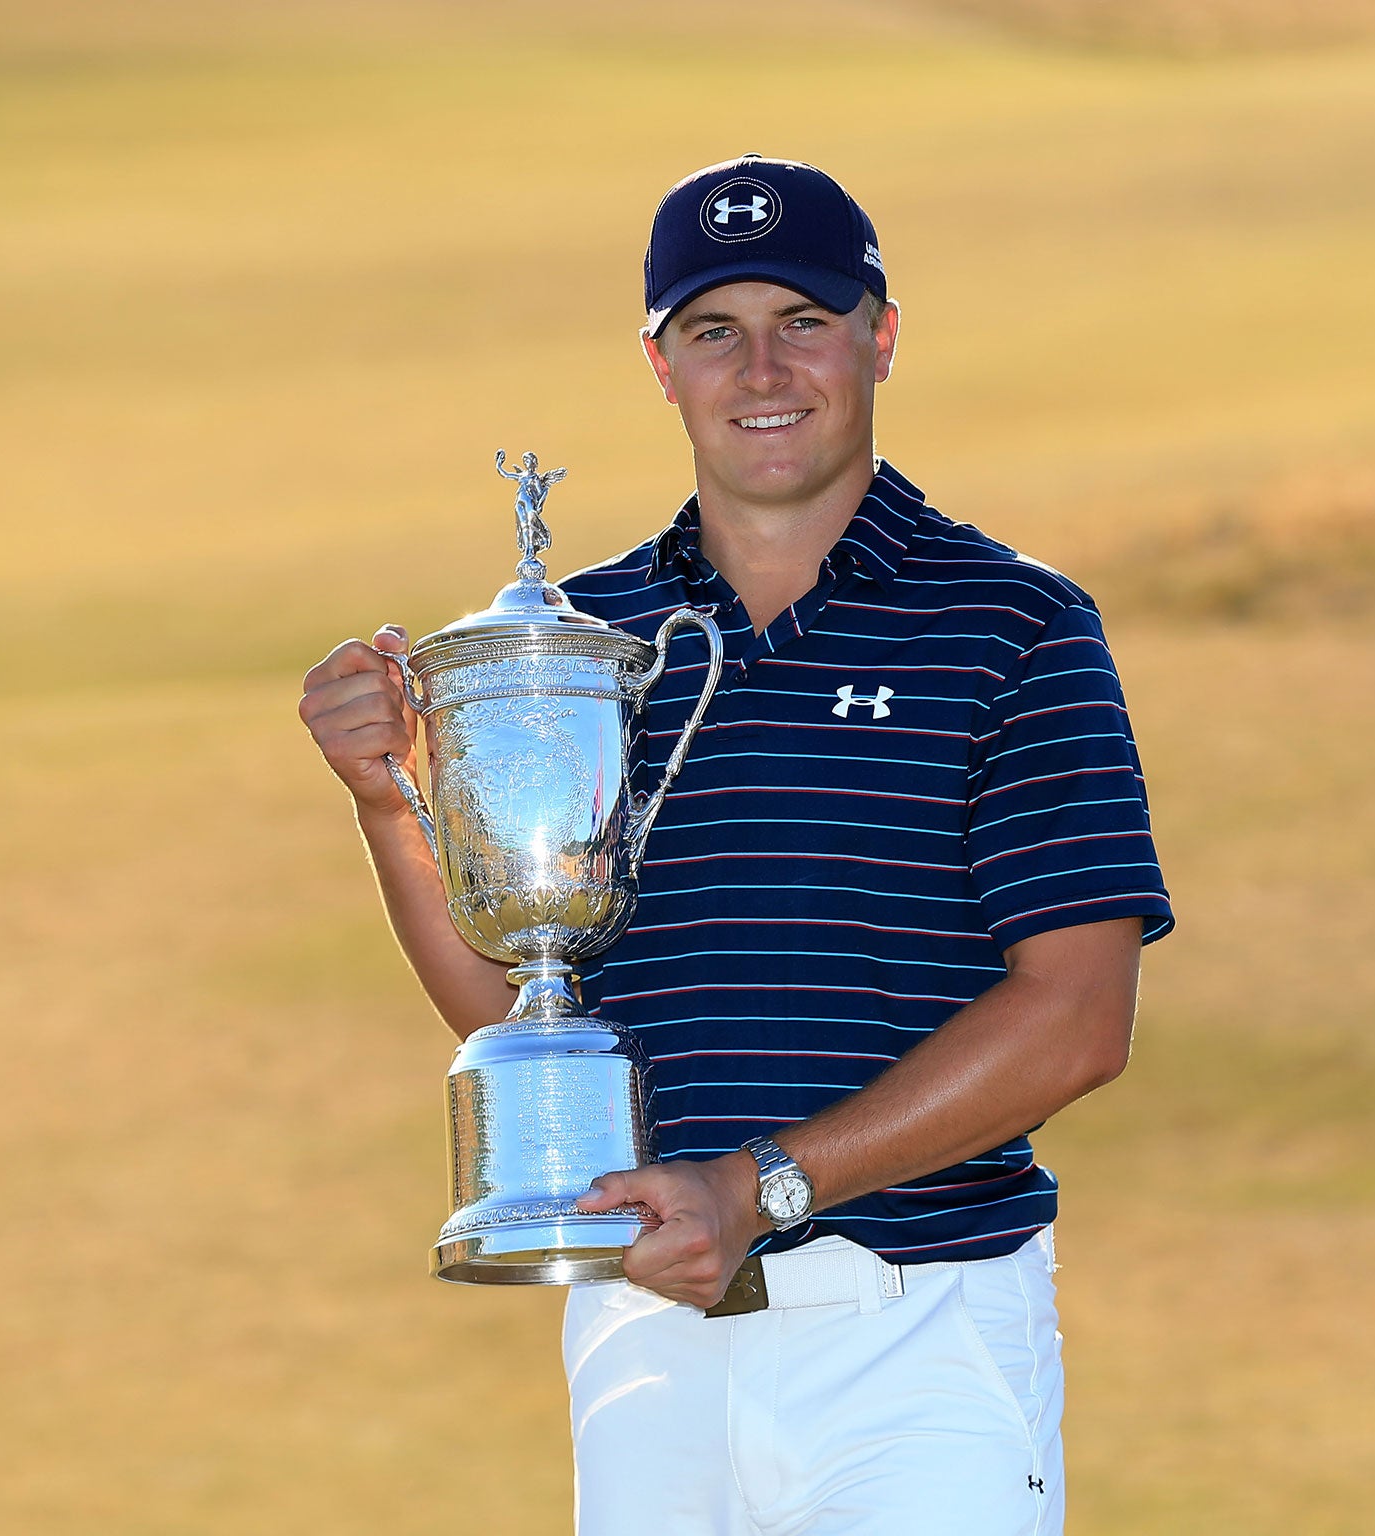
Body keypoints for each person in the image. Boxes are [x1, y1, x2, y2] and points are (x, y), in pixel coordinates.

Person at [299, 154, 1173, 1536]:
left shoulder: (1014, 627)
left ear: (880, 334)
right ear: (659, 364)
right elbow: (526, 1021)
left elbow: (1079, 1018)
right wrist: (388, 802)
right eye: (714, 330)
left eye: (804, 320)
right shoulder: (569, 646)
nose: (761, 367)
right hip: (645, 1340)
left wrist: (759, 1185)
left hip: (919, 1335)